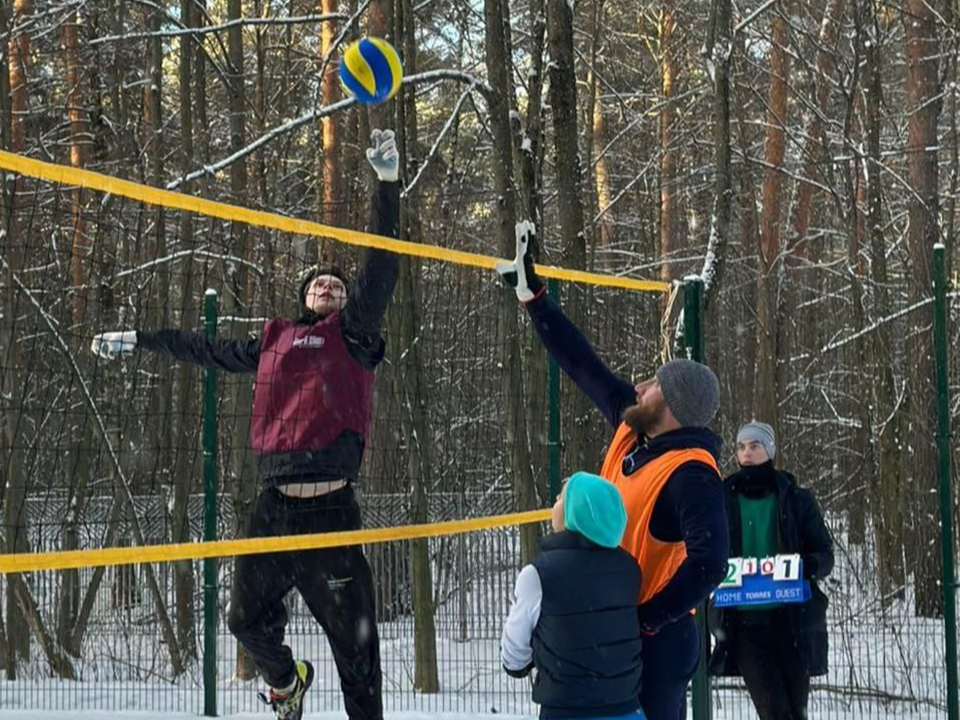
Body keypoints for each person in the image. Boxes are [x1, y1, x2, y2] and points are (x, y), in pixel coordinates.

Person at [90, 129, 402, 720]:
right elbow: (200, 349)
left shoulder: (354, 335)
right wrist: (138, 340)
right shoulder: (274, 343)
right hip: (273, 506)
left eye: (335, 283)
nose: (328, 286)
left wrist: (386, 187)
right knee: (243, 620)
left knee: (358, 657)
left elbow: (380, 270)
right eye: (318, 283)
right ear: (304, 298)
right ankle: (286, 682)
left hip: (331, 512)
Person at [497, 225, 729, 720]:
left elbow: (712, 563)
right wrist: (534, 299)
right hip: (611, 625)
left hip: (659, 640)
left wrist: (649, 617)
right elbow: (584, 365)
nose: (639, 385)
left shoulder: (692, 473)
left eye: (652, 385)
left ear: (671, 404)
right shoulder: (635, 427)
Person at [708, 422, 834, 720]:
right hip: (744, 626)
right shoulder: (721, 501)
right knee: (775, 712)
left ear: (770, 450)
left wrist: (804, 567)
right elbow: (707, 555)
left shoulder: (796, 499)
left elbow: (825, 556)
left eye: (755, 445)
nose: (746, 452)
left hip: (792, 623)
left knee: (796, 712)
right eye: (741, 447)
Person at [501, 471, 644, 720]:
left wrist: (523, 662)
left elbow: (514, 656)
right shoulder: (630, 570)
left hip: (567, 710)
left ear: (575, 514)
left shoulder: (538, 575)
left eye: (561, 499)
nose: (555, 502)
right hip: (627, 709)